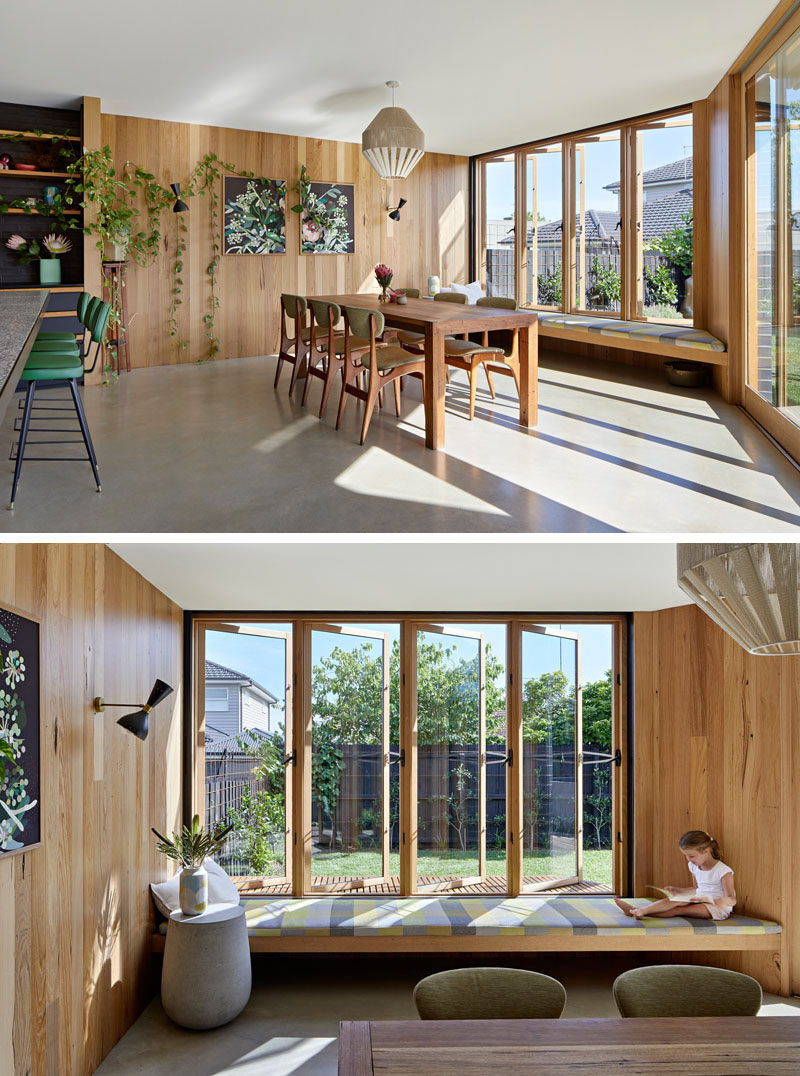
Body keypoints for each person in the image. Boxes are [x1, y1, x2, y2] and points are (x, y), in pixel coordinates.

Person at [614, 830, 736, 921]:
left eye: (691, 856)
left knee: (679, 909)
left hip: (716, 907)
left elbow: (732, 899)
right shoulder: (693, 866)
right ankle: (641, 910)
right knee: (673, 900)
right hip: (699, 898)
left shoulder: (723, 871)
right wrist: (679, 890)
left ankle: (635, 911)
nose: (688, 859)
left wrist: (721, 901)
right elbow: (696, 888)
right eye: (686, 856)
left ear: (706, 851)